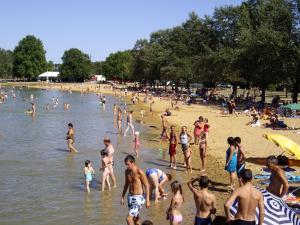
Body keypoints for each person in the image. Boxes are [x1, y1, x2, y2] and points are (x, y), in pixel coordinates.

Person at [121, 155, 150, 225]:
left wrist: (148, 200)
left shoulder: (139, 172)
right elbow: (126, 185)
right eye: (126, 165)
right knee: (135, 218)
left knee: (129, 218)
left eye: (128, 164)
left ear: (133, 162)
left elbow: (147, 185)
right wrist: (122, 197)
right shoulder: (127, 172)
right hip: (130, 197)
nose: (126, 166)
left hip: (138, 198)